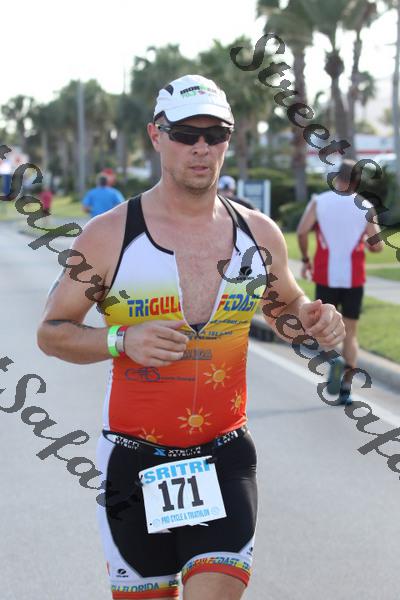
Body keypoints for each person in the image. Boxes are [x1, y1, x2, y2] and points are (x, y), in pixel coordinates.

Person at [37, 74, 345, 600]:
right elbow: (52, 332)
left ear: (229, 140)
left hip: (224, 455)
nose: (201, 148)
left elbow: (286, 310)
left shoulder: (259, 234)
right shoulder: (109, 235)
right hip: (133, 461)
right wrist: (121, 340)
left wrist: (315, 321)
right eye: (185, 134)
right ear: (156, 136)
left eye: (215, 134)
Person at [296, 159, 384, 405]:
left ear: (336, 177)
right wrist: (365, 242)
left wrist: (305, 258)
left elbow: (302, 231)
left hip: (325, 276)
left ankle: (333, 359)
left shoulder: (319, 201)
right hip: (353, 278)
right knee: (351, 333)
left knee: (326, 330)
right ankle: (346, 387)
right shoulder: (365, 206)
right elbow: (377, 245)